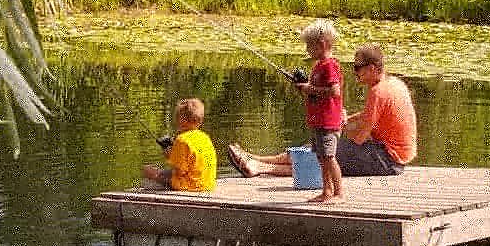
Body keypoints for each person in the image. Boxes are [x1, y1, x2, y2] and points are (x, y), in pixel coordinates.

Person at [227, 43, 417, 179]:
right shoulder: (394, 84)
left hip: (387, 160)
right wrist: (343, 120)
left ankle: (259, 167)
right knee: (321, 146)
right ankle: (255, 158)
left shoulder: (378, 92)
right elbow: (367, 117)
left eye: (358, 67)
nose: (354, 72)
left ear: (373, 68)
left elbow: (359, 137)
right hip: (392, 157)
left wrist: (337, 127)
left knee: (324, 155)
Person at [296, 18, 343, 203]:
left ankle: (339, 193)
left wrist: (310, 89)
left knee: (330, 157)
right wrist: (303, 88)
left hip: (328, 122)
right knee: (321, 157)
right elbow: (314, 94)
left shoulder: (330, 65)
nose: (307, 49)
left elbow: (334, 91)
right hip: (318, 120)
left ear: (322, 44)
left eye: (310, 45)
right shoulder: (317, 66)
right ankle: (327, 190)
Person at [142, 97, 217, 192]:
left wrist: (169, 157)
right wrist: (173, 155)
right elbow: (191, 163)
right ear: (200, 121)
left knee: (148, 171)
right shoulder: (205, 137)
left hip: (190, 186)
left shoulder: (182, 140)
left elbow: (179, 171)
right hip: (207, 184)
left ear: (181, 120)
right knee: (162, 173)